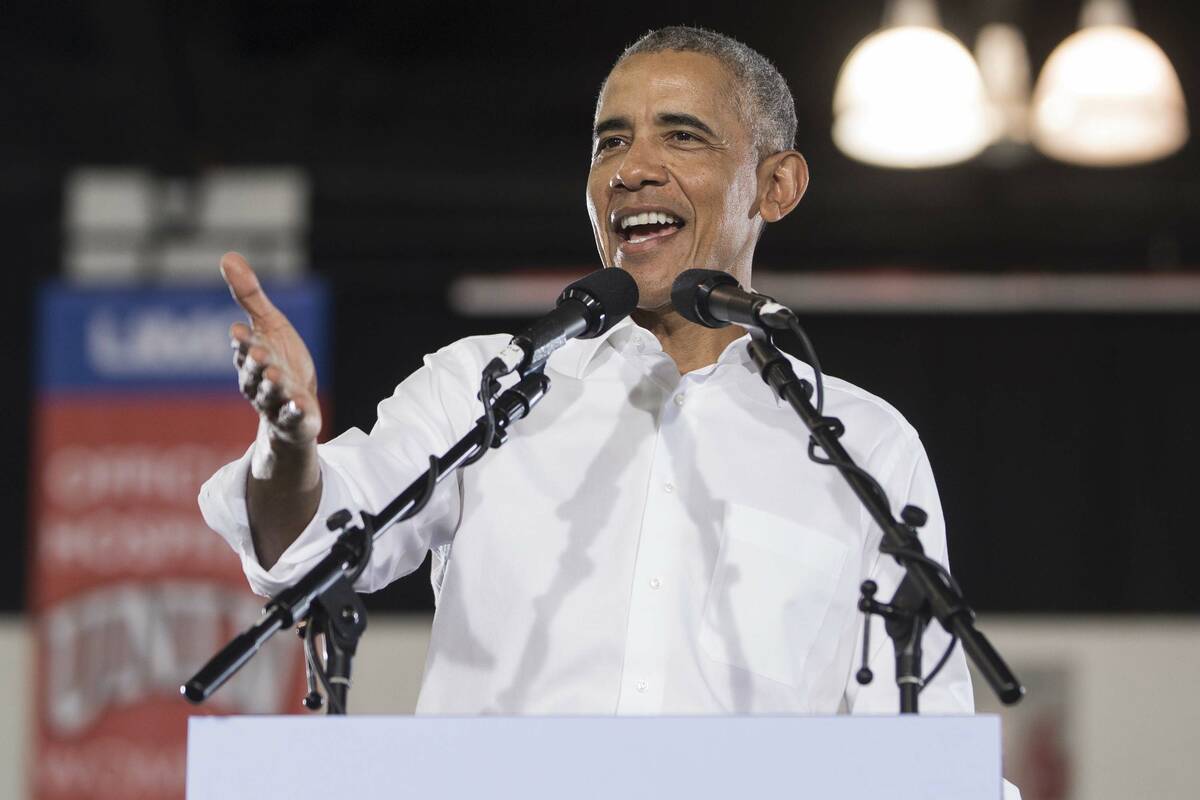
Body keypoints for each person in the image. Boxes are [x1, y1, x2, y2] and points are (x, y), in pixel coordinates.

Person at [199, 26, 974, 715]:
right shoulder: (488, 388)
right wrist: (287, 446)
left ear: (777, 186)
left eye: (682, 137)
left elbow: (919, 743)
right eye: (610, 142)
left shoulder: (861, 445)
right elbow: (307, 547)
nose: (632, 170)